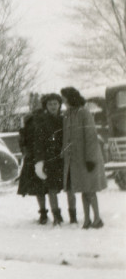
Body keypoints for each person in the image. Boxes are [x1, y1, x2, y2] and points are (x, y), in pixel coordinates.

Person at [61, 86, 106, 229]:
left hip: (86, 159)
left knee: (90, 190)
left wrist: (90, 159)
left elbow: (91, 137)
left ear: (70, 98)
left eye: (64, 98)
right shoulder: (67, 114)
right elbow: (65, 137)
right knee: (82, 189)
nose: (63, 101)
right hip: (75, 161)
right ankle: (87, 220)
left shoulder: (84, 113)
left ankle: (97, 219)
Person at [17, 93, 65, 224]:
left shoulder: (61, 119)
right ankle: (45, 214)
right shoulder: (33, 119)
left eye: (55, 104)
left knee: (50, 187)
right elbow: (24, 138)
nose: (53, 106)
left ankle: (53, 214)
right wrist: (29, 153)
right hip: (37, 157)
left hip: (50, 157)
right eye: (50, 104)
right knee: (40, 188)